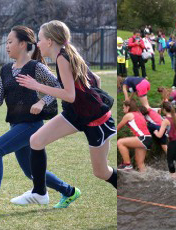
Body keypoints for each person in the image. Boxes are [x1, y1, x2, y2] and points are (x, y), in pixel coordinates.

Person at [0, 26, 79, 212]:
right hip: (16, 126)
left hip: (32, 125)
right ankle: (69, 191)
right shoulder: (5, 70)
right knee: (31, 172)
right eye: (6, 42)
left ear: (22, 44)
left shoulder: (37, 67)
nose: (7, 46)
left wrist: (42, 102)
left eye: (10, 42)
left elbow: (59, 86)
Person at [16, 20, 117, 204]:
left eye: (39, 39)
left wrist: (37, 86)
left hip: (96, 121)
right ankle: (39, 192)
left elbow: (69, 95)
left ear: (49, 42)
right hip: (75, 114)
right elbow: (96, 79)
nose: (37, 44)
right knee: (36, 141)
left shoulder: (63, 57)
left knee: (101, 172)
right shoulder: (66, 52)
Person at [117, 99, 151, 172]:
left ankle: (127, 164)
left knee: (120, 142)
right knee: (140, 163)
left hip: (142, 138)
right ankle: (145, 178)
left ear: (128, 107)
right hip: (148, 138)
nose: (123, 109)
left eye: (123, 107)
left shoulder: (128, 115)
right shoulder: (139, 113)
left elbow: (117, 128)